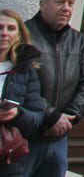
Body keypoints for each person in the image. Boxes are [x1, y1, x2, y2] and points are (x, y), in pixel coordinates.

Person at [23, 0, 84, 177]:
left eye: (71, 3)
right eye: (59, 2)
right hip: (26, 135)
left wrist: (70, 117)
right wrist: (53, 117)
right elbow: (22, 87)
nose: (66, 8)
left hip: (59, 137)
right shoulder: (24, 36)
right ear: (43, 4)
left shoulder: (77, 40)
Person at [0, 10, 44, 177]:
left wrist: (16, 114)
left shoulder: (26, 71)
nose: (4, 33)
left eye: (10, 28)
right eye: (0, 27)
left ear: (18, 35)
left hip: (9, 160)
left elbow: (37, 119)